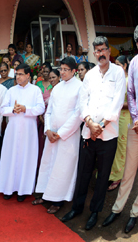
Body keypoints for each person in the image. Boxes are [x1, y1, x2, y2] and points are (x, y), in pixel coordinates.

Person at [61, 36, 126, 231]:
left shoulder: (118, 73)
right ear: (94, 53)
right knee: (83, 173)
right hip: (88, 133)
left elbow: (116, 102)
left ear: (109, 51)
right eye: (96, 51)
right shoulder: (89, 75)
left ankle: (95, 212)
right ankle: (77, 208)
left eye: (103, 50)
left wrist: (101, 126)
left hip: (108, 135)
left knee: (103, 176)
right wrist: (90, 123)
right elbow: (83, 101)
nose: (100, 54)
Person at [33, 57, 82, 214]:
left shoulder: (80, 87)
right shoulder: (58, 88)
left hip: (67, 136)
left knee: (62, 168)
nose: (62, 72)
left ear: (74, 71)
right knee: (49, 165)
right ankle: (45, 195)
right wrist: (47, 129)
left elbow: (78, 114)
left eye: (66, 69)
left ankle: (58, 200)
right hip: (51, 134)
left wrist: (60, 133)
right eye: (61, 69)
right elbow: (49, 111)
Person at [103, 29, 138, 233]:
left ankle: (134, 213)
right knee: (128, 172)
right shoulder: (134, 63)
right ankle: (117, 209)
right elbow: (131, 94)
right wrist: (136, 118)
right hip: (135, 126)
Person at [0, 64, 45, 202]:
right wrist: (13, 110)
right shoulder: (11, 90)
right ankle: (8, 188)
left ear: (28, 75)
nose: (18, 77)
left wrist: (25, 109)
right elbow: (2, 109)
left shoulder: (35, 90)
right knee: (10, 157)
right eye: (17, 74)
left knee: (26, 158)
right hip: (12, 131)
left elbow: (40, 108)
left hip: (28, 131)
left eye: (21, 74)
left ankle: (23, 190)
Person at [107, 55, 130, 192]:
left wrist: (118, 105)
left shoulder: (129, 81)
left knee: (121, 145)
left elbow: (134, 102)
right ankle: (110, 172)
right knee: (112, 145)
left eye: (118, 64)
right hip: (113, 117)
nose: (116, 67)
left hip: (124, 116)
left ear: (125, 66)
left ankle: (118, 175)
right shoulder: (115, 80)